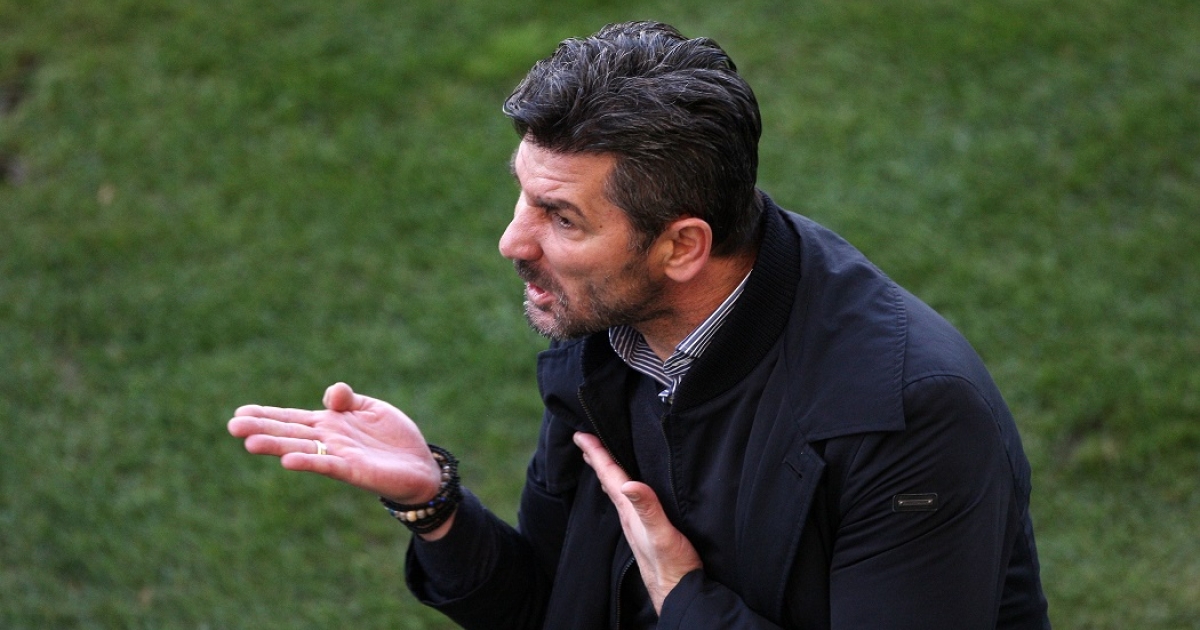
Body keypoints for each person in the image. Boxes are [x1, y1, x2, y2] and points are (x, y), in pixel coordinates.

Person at [228, 20, 1051, 630]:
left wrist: (683, 598)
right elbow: (551, 607)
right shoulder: (610, 338)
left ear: (682, 246)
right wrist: (436, 507)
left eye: (561, 217)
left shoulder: (908, 415)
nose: (513, 242)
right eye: (524, 195)